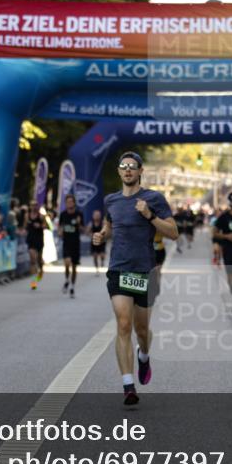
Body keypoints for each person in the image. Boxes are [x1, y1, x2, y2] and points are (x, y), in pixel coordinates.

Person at [91, 152, 177, 405]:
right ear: (119, 171)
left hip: (144, 270)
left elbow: (174, 233)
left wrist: (150, 216)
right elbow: (109, 227)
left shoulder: (154, 199)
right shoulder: (111, 200)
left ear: (140, 171)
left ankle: (144, 355)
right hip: (118, 269)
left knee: (141, 329)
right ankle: (128, 384)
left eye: (132, 167)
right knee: (124, 324)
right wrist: (101, 236)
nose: (127, 170)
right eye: (123, 166)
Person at [57, 194, 84, 298]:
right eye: (67, 202)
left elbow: (83, 229)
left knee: (74, 267)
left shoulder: (79, 214)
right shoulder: (63, 214)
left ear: (74, 203)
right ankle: (67, 280)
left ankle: (72, 286)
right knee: (67, 263)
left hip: (75, 244)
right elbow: (60, 227)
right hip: (66, 243)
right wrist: (60, 232)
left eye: (71, 202)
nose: (69, 204)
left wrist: (79, 224)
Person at [25, 201, 46, 290]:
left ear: (38, 207)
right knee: (32, 259)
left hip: (39, 239)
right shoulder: (27, 215)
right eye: (32, 205)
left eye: (35, 205)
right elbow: (25, 226)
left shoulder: (41, 216)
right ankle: (33, 282)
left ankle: (41, 269)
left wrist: (40, 226)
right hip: (30, 239)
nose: (34, 207)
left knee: (39, 260)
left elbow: (46, 226)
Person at [88, 209, 106, 276]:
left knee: (102, 255)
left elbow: (106, 231)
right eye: (95, 215)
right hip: (94, 242)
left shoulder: (103, 223)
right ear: (93, 216)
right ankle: (97, 269)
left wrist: (103, 235)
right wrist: (90, 234)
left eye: (98, 215)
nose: (97, 216)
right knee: (95, 256)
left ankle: (102, 260)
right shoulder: (91, 223)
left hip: (102, 242)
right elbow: (87, 231)